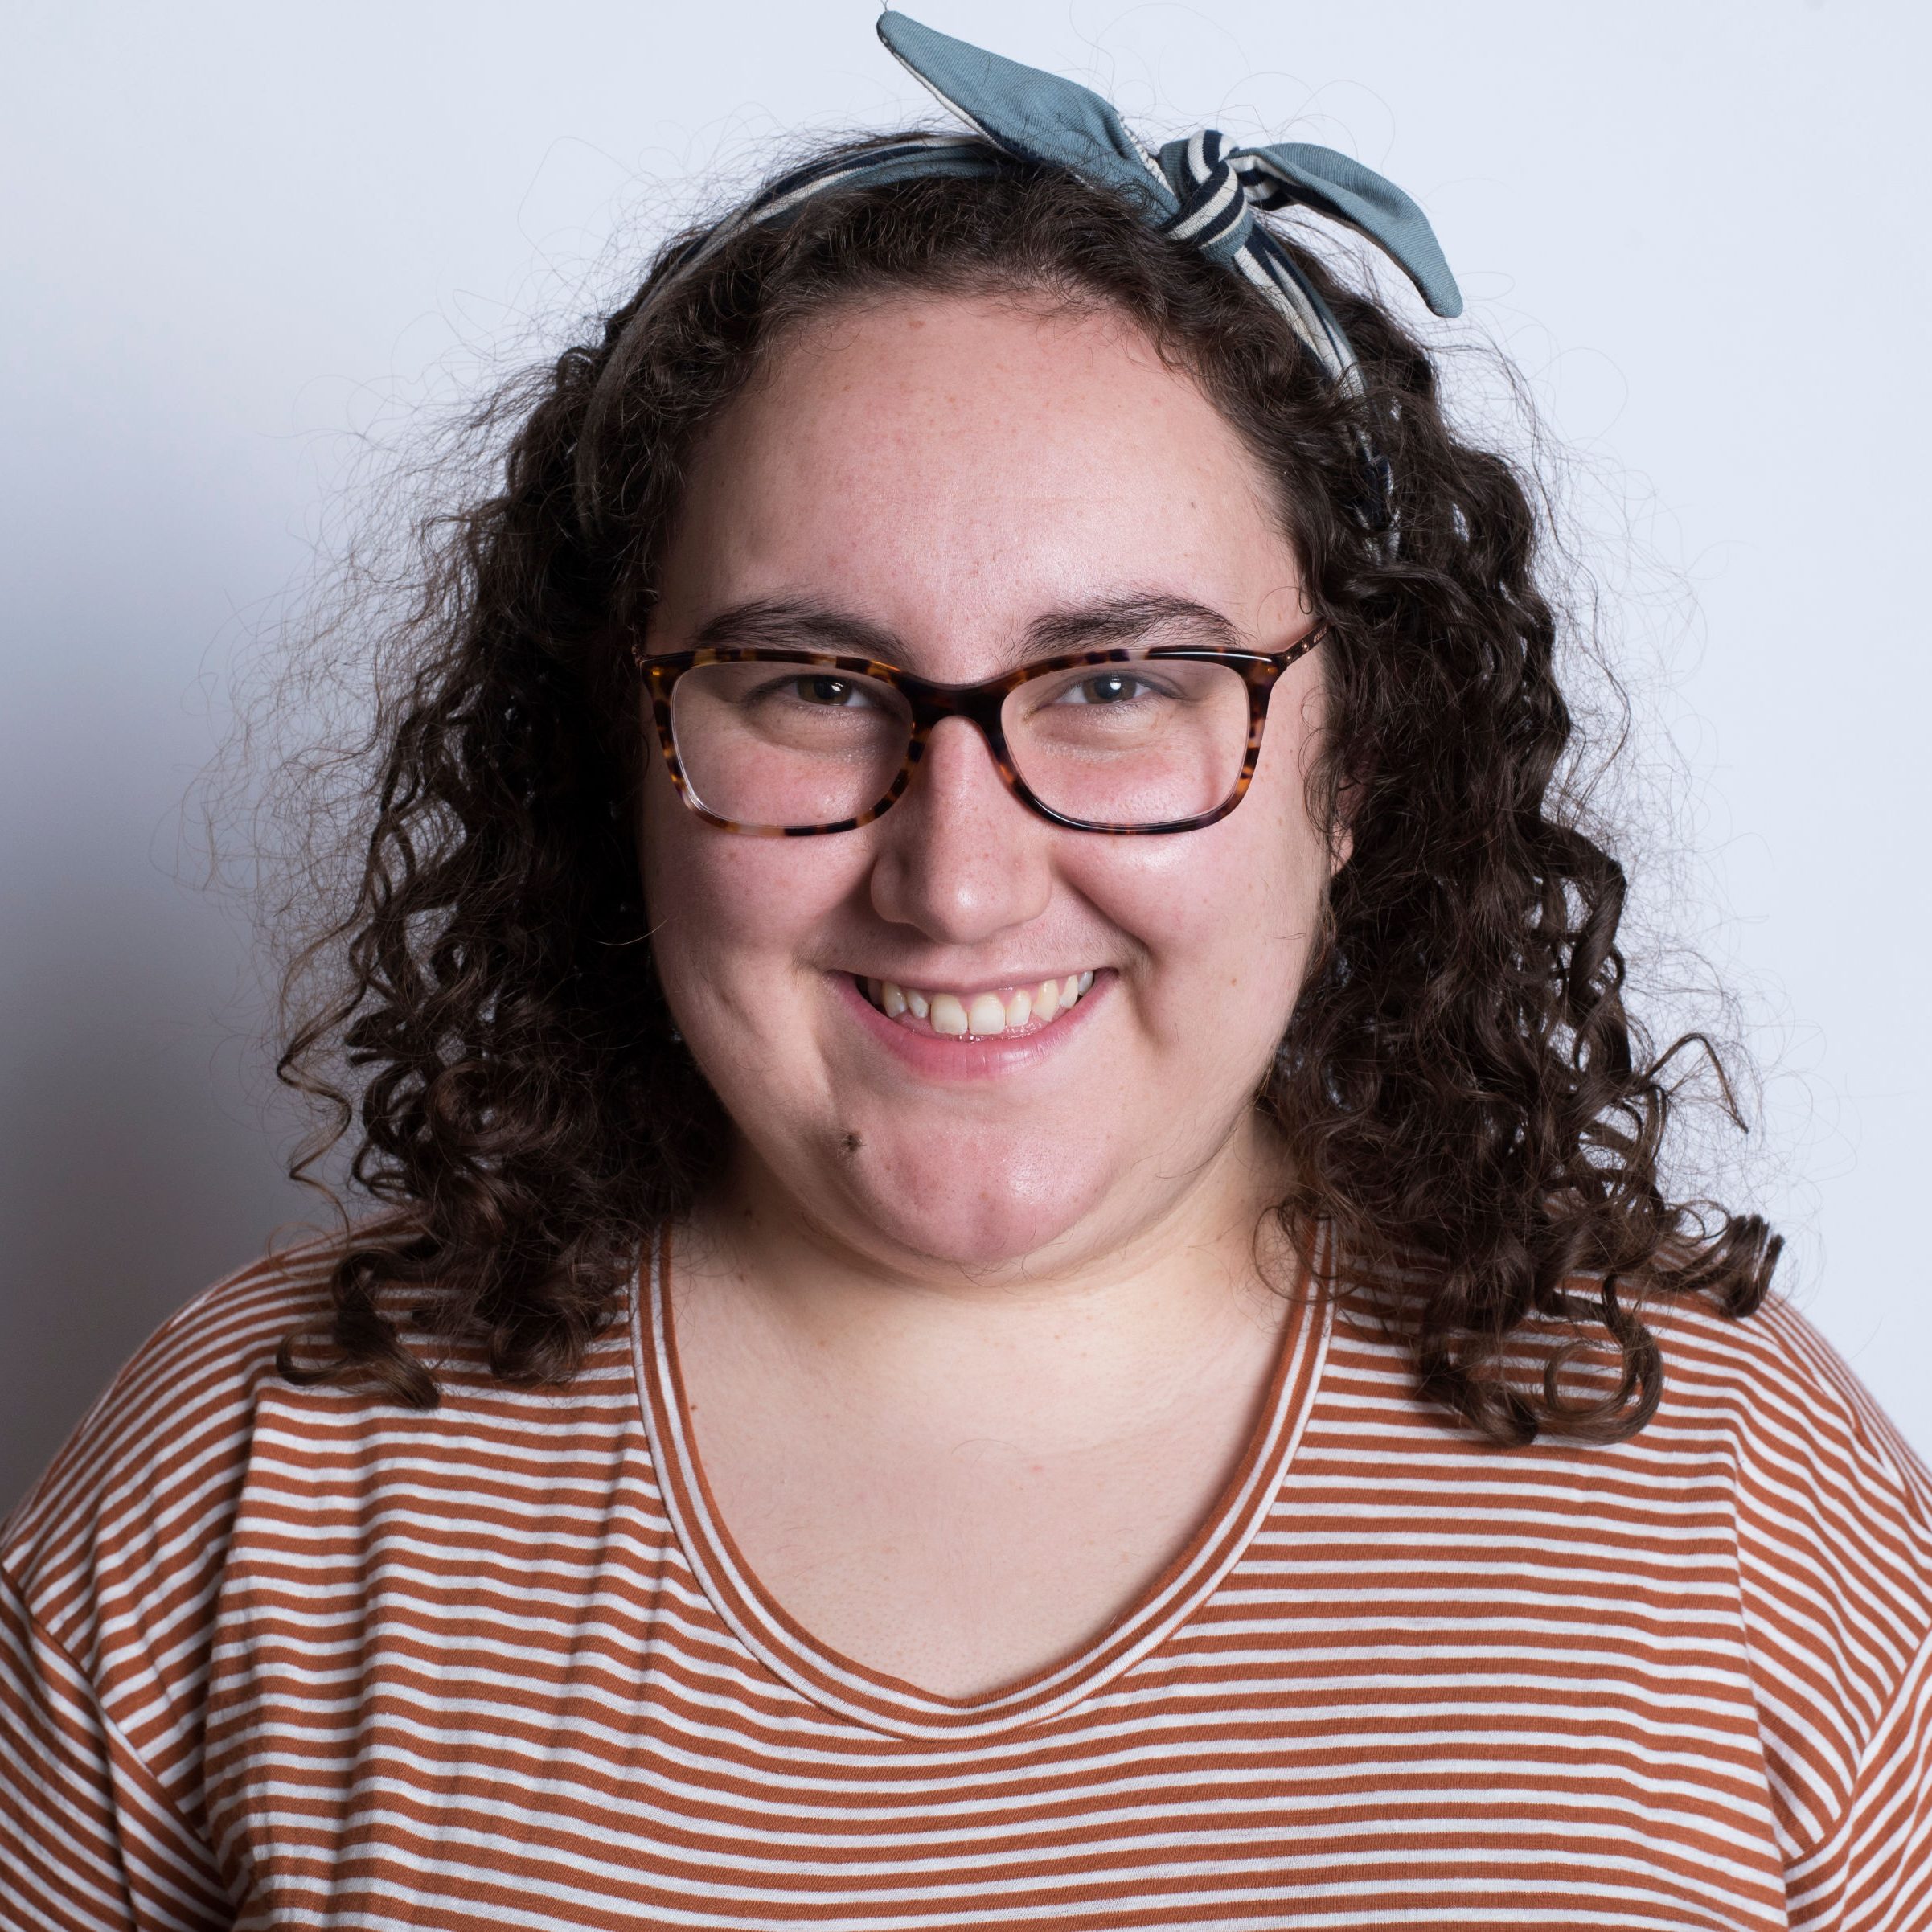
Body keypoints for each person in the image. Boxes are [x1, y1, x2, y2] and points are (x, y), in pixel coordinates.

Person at [4, 12, 1928, 1928]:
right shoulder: (266, 1462)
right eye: (814, 685)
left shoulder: (1729, 1490)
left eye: (1114, 682)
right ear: (620, 748)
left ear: (1354, 767)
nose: (957, 876)